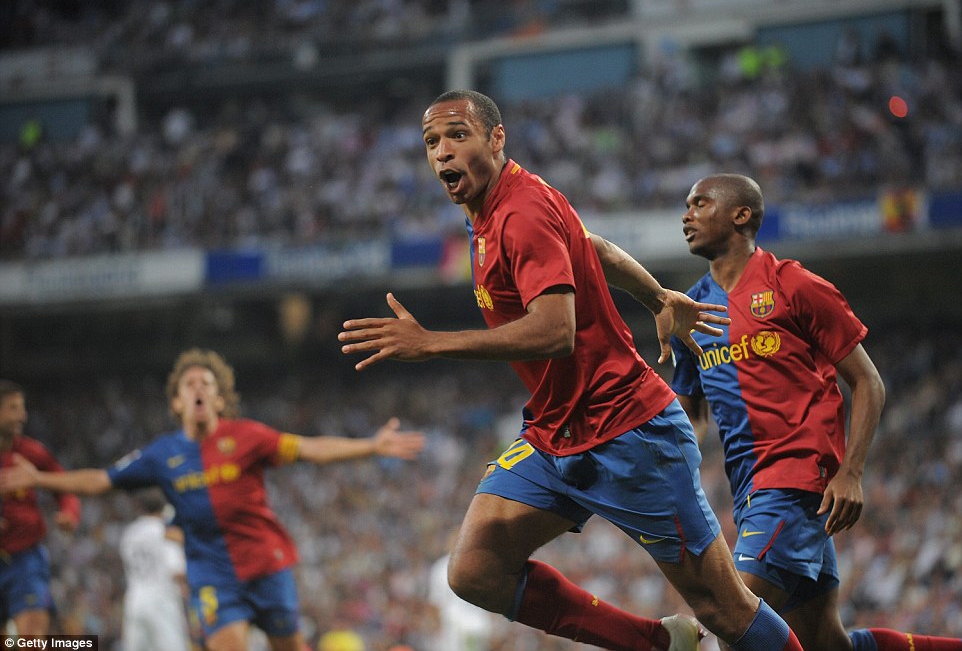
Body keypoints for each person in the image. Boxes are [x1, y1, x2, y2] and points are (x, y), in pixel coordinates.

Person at [338, 89, 806, 651]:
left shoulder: (520, 211)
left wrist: (430, 344)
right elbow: (595, 247)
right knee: (475, 570)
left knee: (724, 610)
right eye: (432, 142)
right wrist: (658, 296)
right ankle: (657, 644)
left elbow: (556, 331)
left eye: (458, 135)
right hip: (557, 430)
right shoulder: (489, 208)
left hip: (630, 432)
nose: (442, 152)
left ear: (496, 138)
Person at [667, 173, 962, 651]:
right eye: (686, 205)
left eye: (700, 203)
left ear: (741, 215)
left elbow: (868, 381)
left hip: (796, 481)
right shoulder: (692, 311)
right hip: (749, 490)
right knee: (827, 642)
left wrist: (851, 472)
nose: (687, 214)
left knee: (731, 621)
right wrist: (674, 461)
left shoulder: (794, 285)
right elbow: (689, 408)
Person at [0, 348, 425, 651]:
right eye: (190, 383)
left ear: (219, 399)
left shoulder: (248, 437)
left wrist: (370, 446)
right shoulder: (161, 455)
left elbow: (310, 449)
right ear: (177, 401)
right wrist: (41, 480)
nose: (199, 387)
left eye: (207, 383)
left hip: (267, 565)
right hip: (213, 577)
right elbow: (102, 479)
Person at [0, 379, 80, 636]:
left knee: (31, 638)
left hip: (25, 559)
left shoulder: (31, 453)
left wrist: (69, 512)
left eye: (22, 408)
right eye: (13, 408)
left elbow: (63, 484)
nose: (22, 416)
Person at [119, 487, 191, 651]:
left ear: (140, 507)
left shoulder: (129, 533)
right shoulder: (165, 531)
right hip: (162, 599)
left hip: (134, 600)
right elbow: (177, 571)